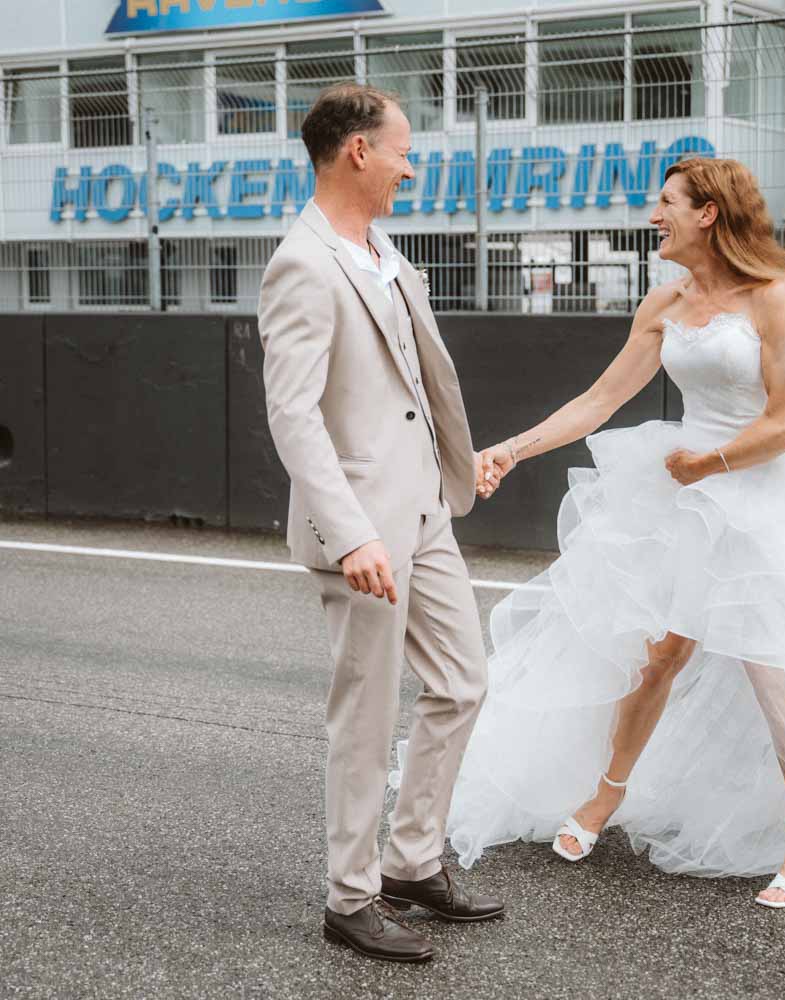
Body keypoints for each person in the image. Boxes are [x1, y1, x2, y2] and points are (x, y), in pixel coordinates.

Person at [450, 157, 785, 909]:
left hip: (764, 490)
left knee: (768, 661)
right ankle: (605, 796)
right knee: (658, 652)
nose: (651, 213)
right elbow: (598, 402)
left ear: (708, 214)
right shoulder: (663, 302)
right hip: (686, 491)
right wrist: (509, 449)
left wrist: (713, 462)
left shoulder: (771, 300)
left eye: (665, 202)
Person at [257, 83, 503, 963]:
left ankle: (409, 863)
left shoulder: (383, 250)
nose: (412, 164)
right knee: (364, 716)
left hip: (428, 511)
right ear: (358, 151)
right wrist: (351, 530)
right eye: (403, 149)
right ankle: (350, 897)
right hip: (362, 529)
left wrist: (452, 459)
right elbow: (295, 414)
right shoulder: (303, 263)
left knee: (464, 682)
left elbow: (410, 385)